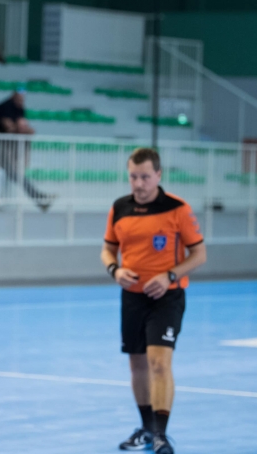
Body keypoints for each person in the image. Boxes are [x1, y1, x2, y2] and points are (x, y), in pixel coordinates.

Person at [101, 148, 207, 454]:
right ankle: (146, 429)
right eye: (133, 176)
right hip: (132, 299)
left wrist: (170, 276)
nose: (139, 183)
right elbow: (107, 249)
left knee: (159, 363)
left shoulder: (177, 209)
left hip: (167, 298)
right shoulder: (119, 208)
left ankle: (161, 434)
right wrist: (115, 269)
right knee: (138, 366)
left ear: (158, 176)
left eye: (145, 177)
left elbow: (200, 254)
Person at [0, 90, 54, 211]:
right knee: (18, 176)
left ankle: (39, 198)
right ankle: (39, 197)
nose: (22, 102)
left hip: (7, 157)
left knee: (18, 176)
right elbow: (9, 128)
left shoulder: (18, 112)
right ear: (14, 97)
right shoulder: (6, 109)